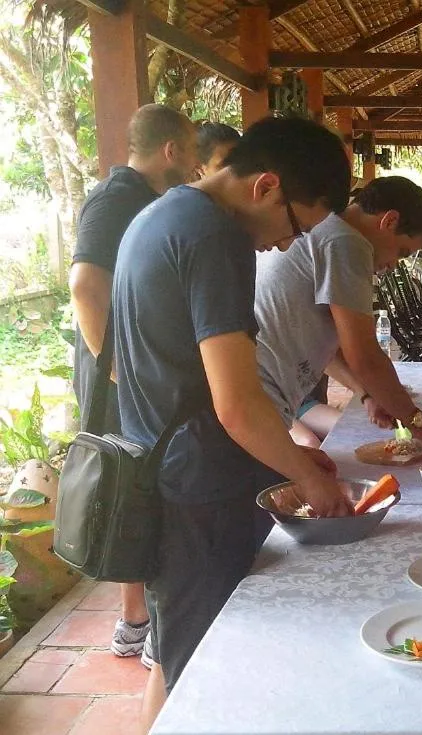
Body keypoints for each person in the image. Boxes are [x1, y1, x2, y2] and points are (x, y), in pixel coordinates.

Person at [111, 117, 354, 733]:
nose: (284, 245)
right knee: (206, 669)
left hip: (163, 471)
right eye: (295, 226)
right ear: (265, 186)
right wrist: (307, 475)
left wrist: (290, 459)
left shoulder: (162, 215)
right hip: (197, 487)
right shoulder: (216, 237)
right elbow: (236, 403)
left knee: (177, 652)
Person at [68, 103, 197, 667]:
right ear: (170, 150)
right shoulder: (116, 197)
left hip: (133, 373)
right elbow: (83, 285)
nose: (194, 166)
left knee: (142, 488)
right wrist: (118, 368)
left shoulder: (145, 201)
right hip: (119, 379)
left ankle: (139, 619)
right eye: (191, 152)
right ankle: (135, 624)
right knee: (131, 491)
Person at [255, 175, 422, 456]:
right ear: (389, 221)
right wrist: (418, 421)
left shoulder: (327, 228)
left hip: (256, 396)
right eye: (400, 252)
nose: (391, 266)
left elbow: (324, 350)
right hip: (258, 400)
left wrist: (367, 393)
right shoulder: (346, 241)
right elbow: (364, 355)